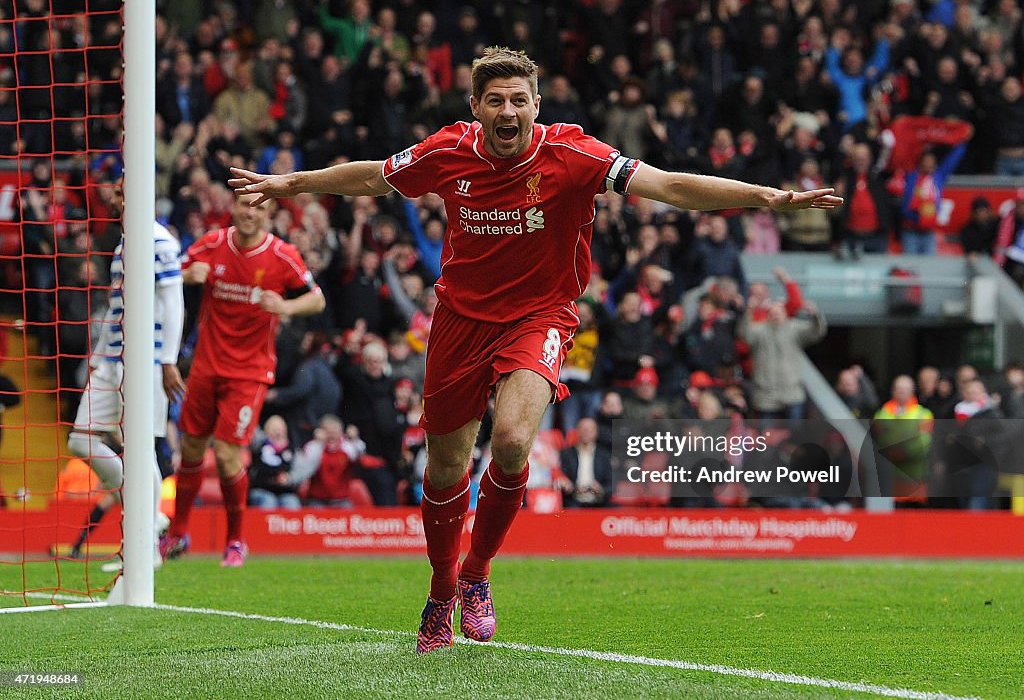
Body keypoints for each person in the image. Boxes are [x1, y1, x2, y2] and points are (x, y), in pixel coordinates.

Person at [228, 46, 842, 653]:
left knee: (516, 438)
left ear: (536, 106)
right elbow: (372, 175)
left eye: (519, 100)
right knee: (444, 467)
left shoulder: (573, 152)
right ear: (476, 107)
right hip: (460, 321)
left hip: (539, 315)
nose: (508, 110)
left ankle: (476, 576)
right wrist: (292, 183)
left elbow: (671, 186)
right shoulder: (449, 150)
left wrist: (766, 197)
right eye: (495, 100)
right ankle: (442, 590)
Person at [160, 193, 325, 568]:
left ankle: (236, 541)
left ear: (269, 216)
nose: (251, 214)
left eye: (260, 209)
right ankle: (177, 534)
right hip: (205, 366)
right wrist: (188, 275)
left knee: (225, 452)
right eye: (245, 206)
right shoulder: (213, 243)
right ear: (235, 209)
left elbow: (317, 300)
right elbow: (167, 277)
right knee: (190, 451)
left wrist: (285, 306)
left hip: (250, 371)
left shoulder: (282, 255)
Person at [67, 214, 186, 565]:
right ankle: (152, 519)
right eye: (118, 194)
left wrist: (168, 359)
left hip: (146, 361)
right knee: (80, 438)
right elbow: (116, 308)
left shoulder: (160, 241)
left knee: (140, 451)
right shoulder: (122, 244)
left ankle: (145, 547)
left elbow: (174, 301)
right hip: (112, 361)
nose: (120, 200)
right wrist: (99, 354)